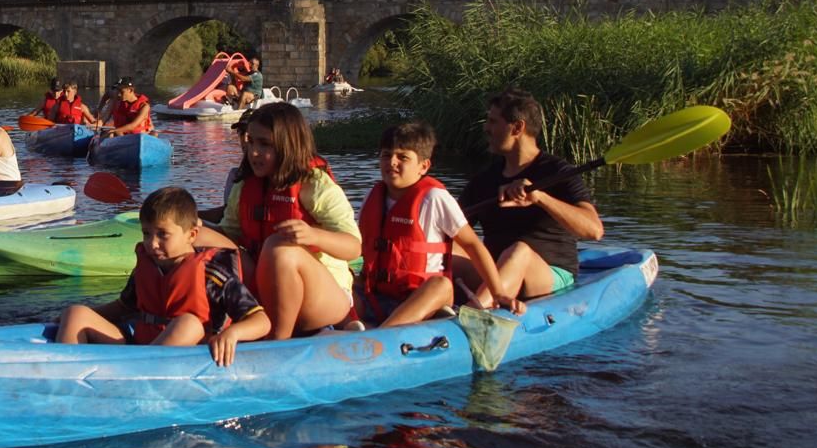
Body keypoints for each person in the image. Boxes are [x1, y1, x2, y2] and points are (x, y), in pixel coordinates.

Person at [55, 187, 270, 365]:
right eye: (147, 233)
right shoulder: (148, 266)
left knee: (189, 324)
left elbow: (261, 321)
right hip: (139, 350)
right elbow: (123, 307)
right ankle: (64, 379)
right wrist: (66, 319)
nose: (152, 243)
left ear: (192, 235)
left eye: (162, 234)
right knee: (76, 314)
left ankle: (137, 373)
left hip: (191, 357)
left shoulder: (212, 273)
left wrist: (232, 334)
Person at [215, 102, 361, 339]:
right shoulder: (245, 185)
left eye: (264, 144)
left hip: (322, 300)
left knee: (279, 248)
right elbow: (229, 235)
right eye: (251, 142)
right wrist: (191, 230)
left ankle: (278, 341)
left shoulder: (316, 186)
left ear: (288, 145)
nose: (253, 152)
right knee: (196, 236)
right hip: (266, 294)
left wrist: (315, 236)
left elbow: (354, 248)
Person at [356, 121, 519, 327]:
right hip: (376, 296)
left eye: (402, 157)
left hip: (421, 297)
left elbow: (472, 244)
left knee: (441, 285)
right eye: (386, 155)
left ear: (423, 166)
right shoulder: (373, 196)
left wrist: (498, 293)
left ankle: (382, 335)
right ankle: (343, 330)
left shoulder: (434, 198)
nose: (392, 162)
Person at [457, 89, 605, 306]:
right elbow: (456, 232)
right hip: (496, 272)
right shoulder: (483, 180)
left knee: (519, 251)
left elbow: (594, 230)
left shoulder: (558, 172)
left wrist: (541, 198)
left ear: (517, 127)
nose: (486, 128)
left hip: (547, 274)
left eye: (492, 121)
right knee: (448, 248)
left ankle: (473, 313)